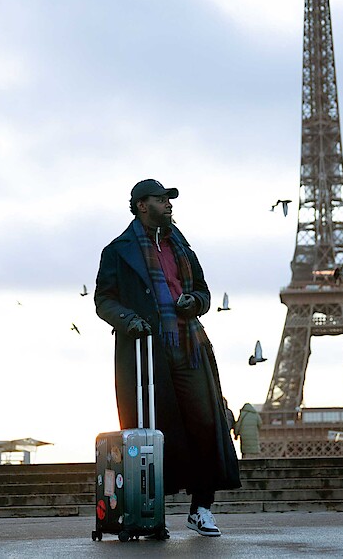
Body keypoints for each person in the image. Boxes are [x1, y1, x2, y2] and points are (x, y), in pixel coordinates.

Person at [95, 179, 241, 537]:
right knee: (152, 432)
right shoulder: (117, 251)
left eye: (168, 199)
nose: (168, 204)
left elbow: (203, 292)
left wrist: (196, 302)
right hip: (146, 353)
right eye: (161, 199)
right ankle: (149, 515)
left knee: (205, 424)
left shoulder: (182, 247)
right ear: (142, 205)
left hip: (189, 348)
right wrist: (129, 320)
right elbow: (103, 300)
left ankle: (201, 508)